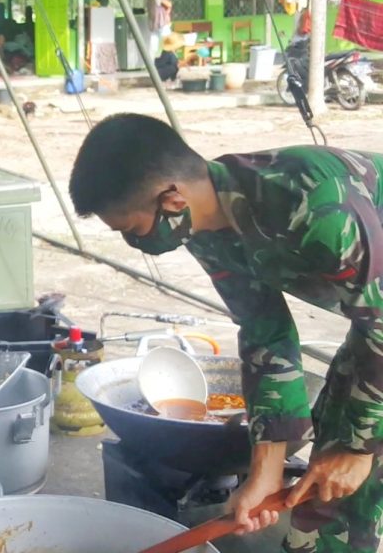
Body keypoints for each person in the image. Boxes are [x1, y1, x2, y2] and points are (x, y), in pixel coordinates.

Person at [68, 113, 383, 553]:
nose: (136, 244)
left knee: (360, 468)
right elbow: (265, 331)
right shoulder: (202, 228)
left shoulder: (311, 203)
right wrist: (265, 471)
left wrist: (360, 448)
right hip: (375, 322)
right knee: (328, 476)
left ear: (172, 199)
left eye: (132, 230)